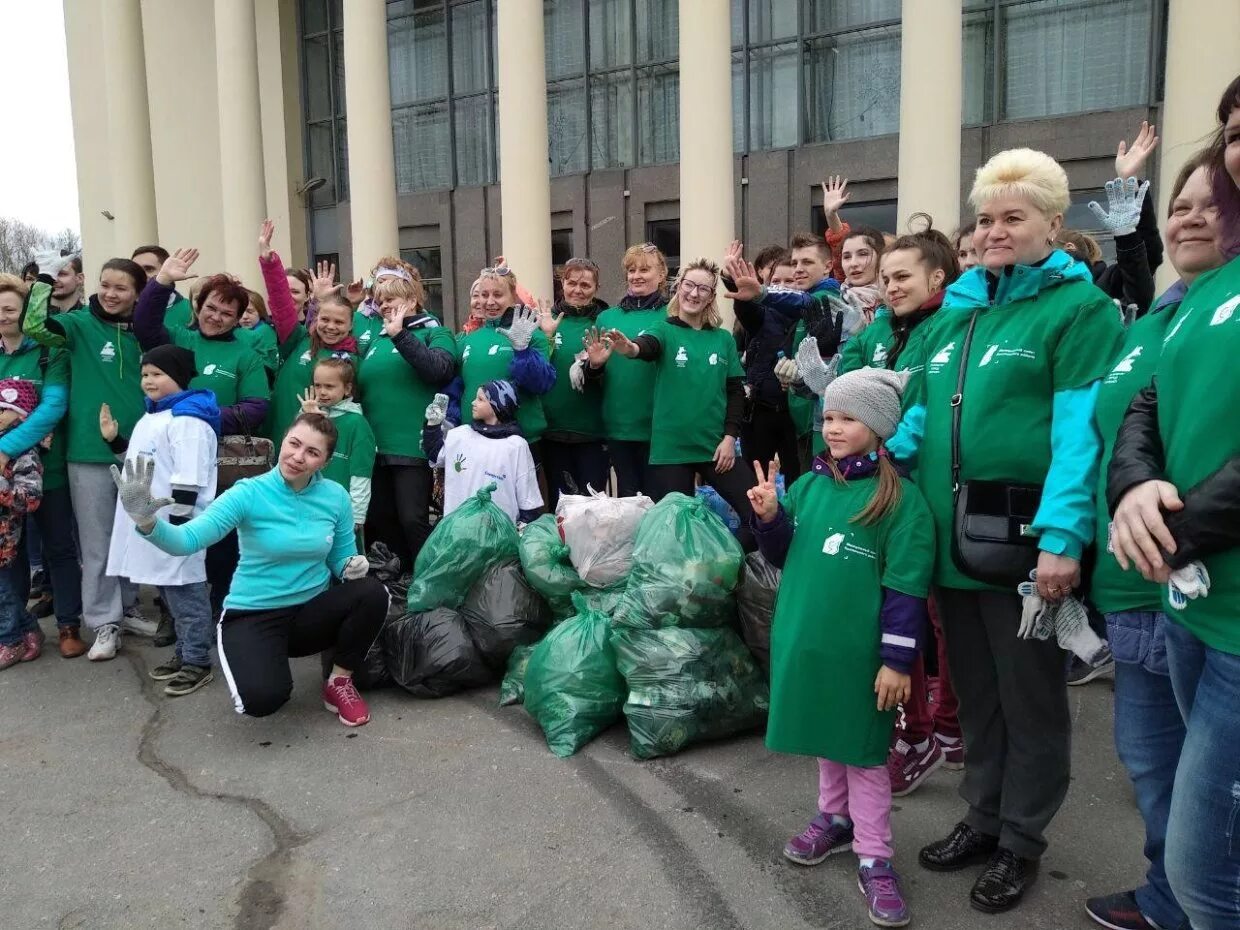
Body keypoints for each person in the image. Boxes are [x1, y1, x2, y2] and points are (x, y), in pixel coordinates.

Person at [890, 148, 1123, 913]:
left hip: (1022, 545)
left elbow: (1080, 431)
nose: (993, 231)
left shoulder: (1076, 310)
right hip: (949, 544)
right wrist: (871, 469)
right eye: (985, 218)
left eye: (1012, 218)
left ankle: (1022, 840)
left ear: (1053, 225)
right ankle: (983, 816)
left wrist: (1063, 536)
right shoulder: (957, 311)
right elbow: (919, 415)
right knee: (978, 695)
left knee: (1030, 701)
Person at [1107, 73, 1240, 930]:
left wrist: (1172, 530)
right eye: (1234, 127)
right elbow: (1147, 404)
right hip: (1193, 604)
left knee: (1205, 873)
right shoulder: (1204, 294)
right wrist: (1135, 487)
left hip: (1217, 610)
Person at [1082, 150, 1221, 930]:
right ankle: (1170, 896)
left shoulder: (1211, 317)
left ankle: (1192, 900)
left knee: (1207, 790)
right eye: (1179, 204)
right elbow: (1125, 426)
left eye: (1211, 202)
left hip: (1198, 585)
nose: (1191, 216)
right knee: (1153, 762)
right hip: (1135, 589)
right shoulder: (1166, 314)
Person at [751, 367, 934, 929]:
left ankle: (875, 856)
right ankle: (834, 819)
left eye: (848, 418)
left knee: (864, 751)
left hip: (862, 656)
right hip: (807, 643)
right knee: (831, 738)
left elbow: (905, 589)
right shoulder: (808, 486)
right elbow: (784, 554)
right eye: (829, 416)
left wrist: (897, 661)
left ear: (878, 428)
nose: (833, 427)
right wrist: (769, 518)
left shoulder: (900, 503)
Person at [112, 412, 388, 727]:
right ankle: (261, 658)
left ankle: (339, 683)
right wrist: (147, 522)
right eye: (294, 444)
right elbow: (188, 540)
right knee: (264, 700)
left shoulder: (335, 496)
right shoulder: (248, 493)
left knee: (372, 592)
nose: (298, 457)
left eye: (312, 452)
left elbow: (341, 558)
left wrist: (352, 566)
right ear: (282, 441)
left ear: (324, 462)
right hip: (255, 613)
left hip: (310, 612)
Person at [837, 227, 966, 795]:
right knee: (904, 607)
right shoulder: (883, 329)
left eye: (902, 276)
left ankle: (938, 729)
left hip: (928, 491)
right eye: (886, 278)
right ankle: (924, 728)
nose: (890, 286)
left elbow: (925, 405)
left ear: (938, 278)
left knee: (934, 614)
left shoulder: (950, 328)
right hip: (884, 486)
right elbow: (850, 378)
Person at [24, 258, 151, 660]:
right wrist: (44, 280)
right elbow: (33, 327)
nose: (111, 294)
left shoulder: (145, 333)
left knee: (134, 538)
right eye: (105, 285)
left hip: (138, 450)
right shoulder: (78, 325)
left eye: (122, 288)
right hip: (87, 453)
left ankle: (128, 607)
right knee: (97, 545)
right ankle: (103, 621)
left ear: (136, 293)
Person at [586, 259, 758, 550]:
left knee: (758, 515)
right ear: (678, 289)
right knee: (673, 535)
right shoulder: (663, 329)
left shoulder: (723, 339)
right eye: (688, 286)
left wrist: (730, 438)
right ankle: (687, 580)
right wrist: (628, 348)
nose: (694, 293)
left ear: (711, 296)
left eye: (703, 288)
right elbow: (644, 347)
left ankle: (720, 564)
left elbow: (735, 392)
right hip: (670, 452)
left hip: (715, 447)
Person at [101, 345, 218, 694]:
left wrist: (180, 527)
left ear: (179, 377)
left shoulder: (188, 421)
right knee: (170, 593)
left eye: (157, 374)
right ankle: (184, 653)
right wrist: (115, 442)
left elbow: (189, 476)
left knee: (188, 595)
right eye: (145, 374)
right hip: (155, 525)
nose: (148, 381)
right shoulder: (154, 415)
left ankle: (198, 661)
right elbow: (143, 463)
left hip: (176, 526)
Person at [0, 277, 84, 657]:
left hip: (47, 470)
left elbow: (53, 407)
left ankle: (69, 625)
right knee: (10, 553)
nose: (3, 316)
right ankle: (17, 631)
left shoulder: (51, 350)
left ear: (25, 311)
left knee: (59, 546)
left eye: (9, 309)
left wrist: (5, 446)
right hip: (3, 477)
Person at [355, 264, 455, 573]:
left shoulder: (435, 332)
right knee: (380, 521)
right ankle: (393, 585)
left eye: (392, 299)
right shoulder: (376, 341)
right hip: (375, 448)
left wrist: (401, 336)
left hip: (412, 447)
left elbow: (438, 370)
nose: (384, 306)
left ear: (412, 301)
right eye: (380, 301)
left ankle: (427, 580)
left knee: (412, 519)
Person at [133, 249, 271, 435]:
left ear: (237, 319)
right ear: (198, 307)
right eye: (211, 308)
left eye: (227, 313)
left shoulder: (247, 356)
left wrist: (200, 416)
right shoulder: (177, 340)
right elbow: (144, 326)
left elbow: (255, 408)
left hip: (218, 450)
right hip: (166, 441)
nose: (215, 317)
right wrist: (162, 281)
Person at [257, 221, 358, 442]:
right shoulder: (297, 339)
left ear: (351, 325)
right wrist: (269, 262)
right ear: (315, 317)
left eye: (339, 322)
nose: (330, 327)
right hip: (279, 436)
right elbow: (281, 305)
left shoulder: (353, 358)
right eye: (325, 319)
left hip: (320, 446)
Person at [455, 265, 555, 461]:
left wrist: (522, 351)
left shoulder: (531, 335)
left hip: (519, 439)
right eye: (484, 295)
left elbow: (541, 384)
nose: (490, 301)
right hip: (475, 437)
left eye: (498, 295)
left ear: (513, 297)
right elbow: (458, 387)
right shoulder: (468, 340)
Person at [593, 244, 671, 496]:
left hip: (658, 426)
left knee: (657, 502)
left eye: (645, 269)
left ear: (661, 275)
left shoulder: (672, 314)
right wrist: (592, 365)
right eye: (631, 270)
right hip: (618, 424)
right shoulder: (606, 318)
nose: (636, 275)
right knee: (627, 500)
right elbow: (598, 371)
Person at [538, 257, 610, 507]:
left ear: (596, 288)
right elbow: (535, 370)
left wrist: (593, 367)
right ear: (562, 283)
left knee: (592, 509)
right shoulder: (547, 321)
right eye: (571, 283)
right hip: (552, 432)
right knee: (559, 506)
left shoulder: (604, 322)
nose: (577, 290)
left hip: (593, 433)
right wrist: (546, 337)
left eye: (585, 285)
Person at [422, 380, 543, 524]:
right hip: (457, 529)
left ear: (497, 406)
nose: (473, 403)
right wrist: (432, 425)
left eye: (480, 399)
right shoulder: (461, 434)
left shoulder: (516, 446)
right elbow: (435, 453)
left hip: (497, 535)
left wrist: (523, 529)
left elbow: (528, 497)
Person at [298, 358, 375, 544]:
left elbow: (361, 474)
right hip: (304, 504)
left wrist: (356, 515)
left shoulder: (357, 424)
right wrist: (306, 417)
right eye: (317, 385)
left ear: (347, 389)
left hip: (339, 511)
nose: (322, 392)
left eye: (329, 386)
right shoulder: (310, 416)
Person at [0, 379, 44, 669]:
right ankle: (28, 628)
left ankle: (10, 639)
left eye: (4, 408)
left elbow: (30, 497)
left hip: (4, 537)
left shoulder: (23, 452)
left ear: (22, 416)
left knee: (2, 594)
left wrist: (2, 489)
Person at [131, 246, 195, 332]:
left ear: (167, 270)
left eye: (149, 269)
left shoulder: (191, 311)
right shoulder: (122, 309)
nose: (141, 275)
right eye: (135, 270)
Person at [241, 289, 280, 377]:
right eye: (240, 312)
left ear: (260, 311)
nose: (245, 317)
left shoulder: (263, 330)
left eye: (250, 311)